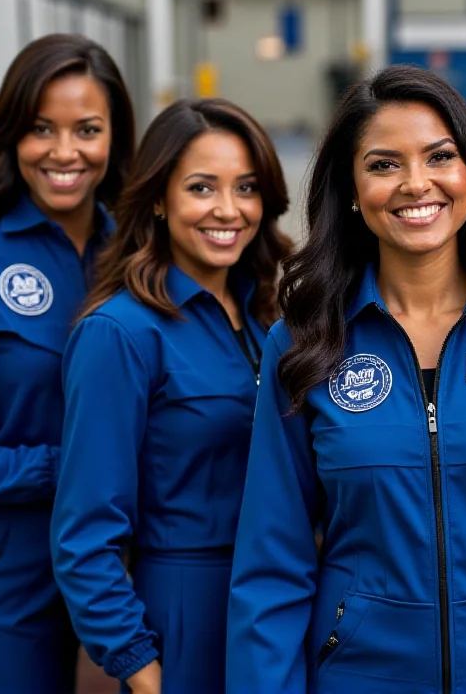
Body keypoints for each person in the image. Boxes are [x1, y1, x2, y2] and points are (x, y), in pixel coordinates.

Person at [226, 65, 466, 694]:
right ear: (352, 189)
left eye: (441, 157)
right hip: (356, 677)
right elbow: (273, 561)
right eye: (383, 164)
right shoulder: (302, 343)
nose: (417, 184)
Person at [50, 98, 292, 694]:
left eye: (247, 188)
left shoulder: (266, 321)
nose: (229, 210)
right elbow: (84, 532)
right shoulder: (121, 333)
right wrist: (141, 667)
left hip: (274, 605)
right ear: (158, 198)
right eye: (202, 188)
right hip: (185, 607)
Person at [0, 34, 135, 693]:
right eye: (40, 129)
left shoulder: (144, 262)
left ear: (115, 137)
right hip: (10, 583)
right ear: (10, 137)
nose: (64, 152)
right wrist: (74, 468)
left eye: (87, 129)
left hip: (131, 568)